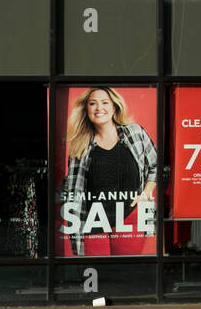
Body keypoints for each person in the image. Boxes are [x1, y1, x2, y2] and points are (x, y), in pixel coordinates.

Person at [60, 86, 158, 257]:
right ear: (86, 109)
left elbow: (156, 166)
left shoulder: (135, 134)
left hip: (129, 217)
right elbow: (73, 189)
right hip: (93, 219)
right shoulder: (80, 144)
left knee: (125, 273)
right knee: (97, 272)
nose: (99, 108)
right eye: (93, 104)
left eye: (105, 102)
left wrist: (146, 193)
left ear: (114, 107)